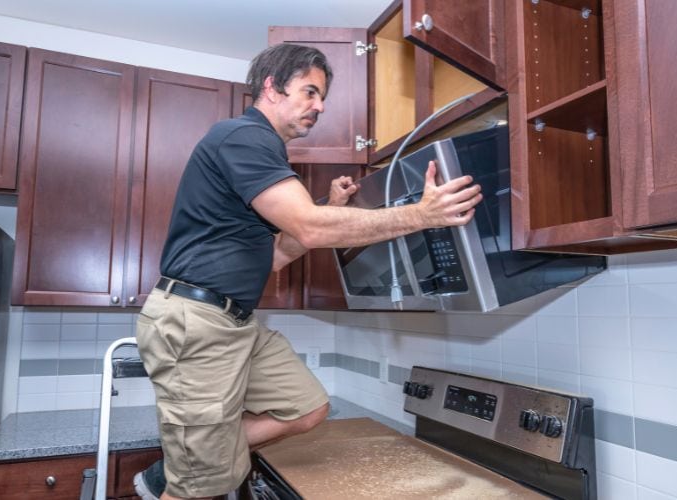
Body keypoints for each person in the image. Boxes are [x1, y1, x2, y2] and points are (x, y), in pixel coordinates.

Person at [133, 43, 483, 500]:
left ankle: (187, 460)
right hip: (195, 322)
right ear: (272, 87)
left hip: (234, 321)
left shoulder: (264, 154)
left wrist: (327, 208)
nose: (319, 107)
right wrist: (421, 215)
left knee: (307, 408)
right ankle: (188, 471)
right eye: (311, 92)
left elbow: (278, 254)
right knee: (200, 489)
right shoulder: (244, 137)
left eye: (323, 98)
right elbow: (310, 229)